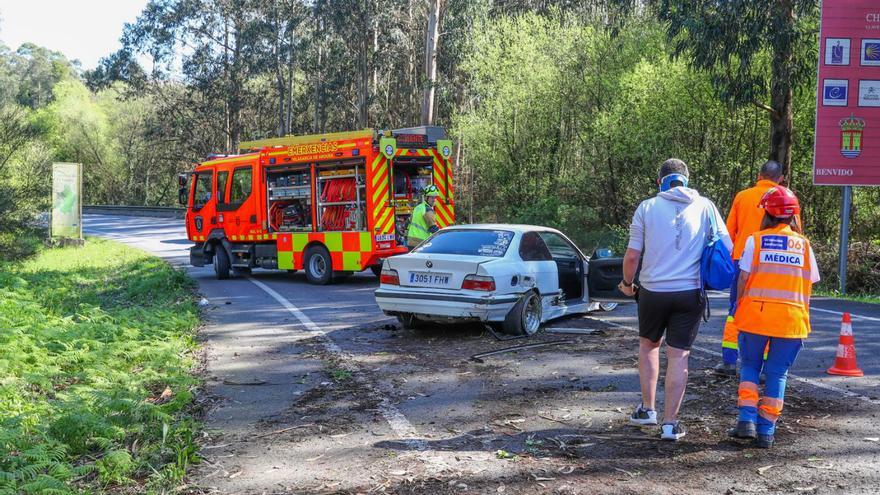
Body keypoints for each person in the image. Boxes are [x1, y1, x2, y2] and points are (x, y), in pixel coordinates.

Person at [620, 158, 732, 441]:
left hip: (652, 292)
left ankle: (647, 410)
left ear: (660, 181)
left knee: (648, 346)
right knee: (679, 354)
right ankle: (670, 424)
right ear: (687, 179)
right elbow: (727, 248)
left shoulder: (646, 207)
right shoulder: (705, 206)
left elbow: (633, 255)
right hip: (689, 292)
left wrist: (627, 284)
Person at [728, 186, 819, 448]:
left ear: (767, 213)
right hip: (791, 320)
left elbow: (743, 278)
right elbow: (810, 281)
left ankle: (746, 420)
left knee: (749, 366)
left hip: (756, 315)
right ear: (793, 216)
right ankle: (766, 432)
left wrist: (739, 305)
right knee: (778, 374)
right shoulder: (804, 246)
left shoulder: (754, 240)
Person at [716, 160, 787, 375]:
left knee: (736, 309)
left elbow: (728, 233)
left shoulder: (742, 196)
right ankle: (766, 365)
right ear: (780, 178)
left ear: (759, 175)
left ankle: (729, 361)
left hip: (743, 259)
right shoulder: (785, 197)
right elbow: (795, 231)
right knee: (768, 309)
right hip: (774, 261)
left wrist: (731, 260)